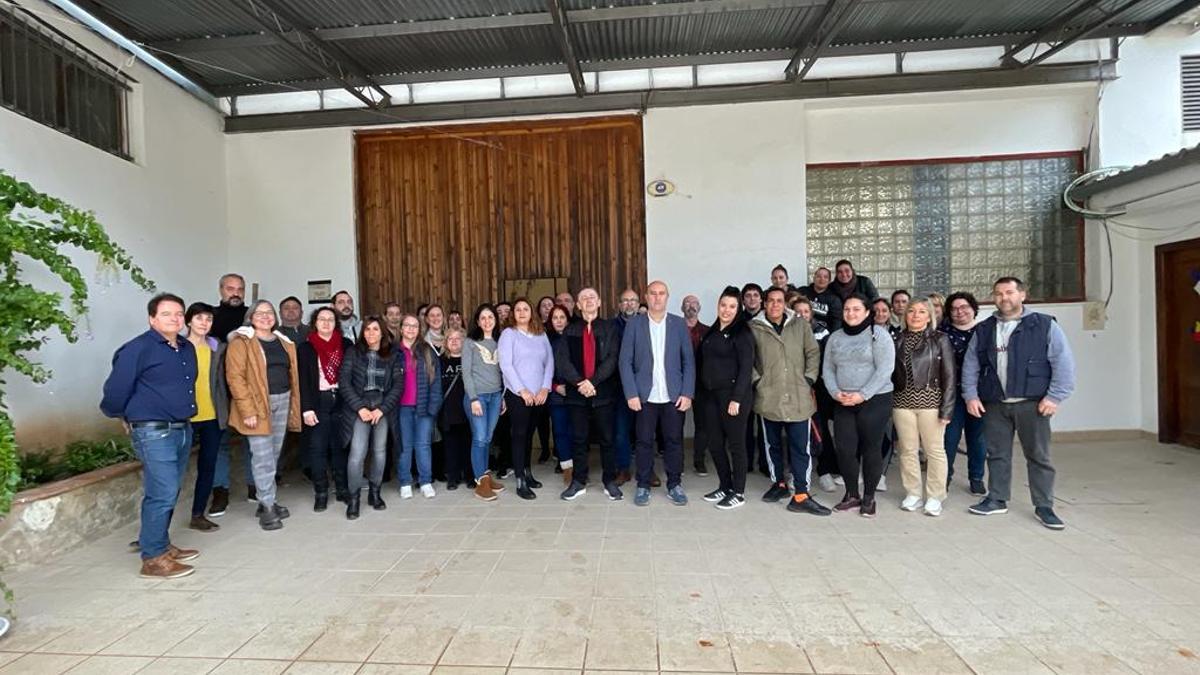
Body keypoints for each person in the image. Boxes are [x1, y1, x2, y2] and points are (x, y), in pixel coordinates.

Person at [101, 293, 201, 578]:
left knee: (167, 491)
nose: (175, 319)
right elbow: (116, 390)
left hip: (182, 427)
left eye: (179, 314)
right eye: (167, 314)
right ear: (152, 318)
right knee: (163, 493)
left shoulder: (184, 347)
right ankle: (153, 559)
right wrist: (123, 415)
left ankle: (160, 544)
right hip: (153, 431)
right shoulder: (138, 348)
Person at [963, 277, 1076, 529]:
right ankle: (997, 498)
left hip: (1033, 403)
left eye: (1010, 292)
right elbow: (971, 365)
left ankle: (1044, 505)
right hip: (994, 402)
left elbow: (1063, 362)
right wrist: (971, 395)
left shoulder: (1044, 325)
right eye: (999, 293)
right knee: (997, 454)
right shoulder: (984, 329)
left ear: (1022, 295)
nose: (1004, 298)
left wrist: (1055, 396)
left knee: (1038, 455)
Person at [750, 287, 832, 515]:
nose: (775, 305)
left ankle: (802, 494)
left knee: (800, 447)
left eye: (779, 301)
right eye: (771, 301)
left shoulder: (800, 325)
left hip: (798, 395)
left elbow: (813, 353)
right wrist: (758, 382)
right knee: (772, 445)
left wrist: (809, 378)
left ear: (784, 303)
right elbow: (748, 360)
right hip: (769, 395)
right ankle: (779, 484)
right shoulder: (754, 328)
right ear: (765, 303)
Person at [226, 300, 302, 531]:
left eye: (269, 313)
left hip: (282, 399)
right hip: (257, 405)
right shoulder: (241, 343)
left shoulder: (283, 342)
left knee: (274, 453)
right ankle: (268, 508)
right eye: (259, 313)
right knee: (262, 457)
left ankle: (266, 499)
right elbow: (235, 378)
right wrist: (246, 410)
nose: (265, 317)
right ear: (250, 317)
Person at [619, 280, 696, 507]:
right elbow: (625, 362)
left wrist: (687, 393)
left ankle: (674, 484)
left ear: (667, 297)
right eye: (653, 293)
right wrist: (631, 393)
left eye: (661, 293)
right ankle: (643, 485)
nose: (657, 297)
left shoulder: (679, 324)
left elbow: (688, 362)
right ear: (646, 296)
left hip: (673, 395)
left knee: (674, 441)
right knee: (643, 442)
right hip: (644, 396)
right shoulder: (635, 324)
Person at [823, 294, 895, 518]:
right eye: (847, 309)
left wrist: (862, 395)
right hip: (843, 400)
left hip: (875, 399)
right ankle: (852, 494)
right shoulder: (835, 337)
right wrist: (836, 393)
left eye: (856, 309)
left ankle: (869, 497)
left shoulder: (878, 335)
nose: (851, 313)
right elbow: (828, 369)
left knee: (870, 448)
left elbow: (885, 369)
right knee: (845, 449)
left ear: (866, 312)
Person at [556, 288, 622, 501]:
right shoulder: (570, 330)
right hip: (576, 395)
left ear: (600, 302)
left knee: (607, 439)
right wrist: (579, 383)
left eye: (592, 297)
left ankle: (609, 480)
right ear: (578, 305)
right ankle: (578, 481)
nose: (589, 300)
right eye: (584, 298)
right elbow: (563, 360)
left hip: (603, 393)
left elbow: (613, 358)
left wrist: (592, 382)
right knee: (578, 439)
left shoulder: (610, 328)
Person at [892, 298, 956, 517]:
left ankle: (936, 496)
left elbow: (949, 376)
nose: (916, 315)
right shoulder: (897, 339)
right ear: (905, 315)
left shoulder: (940, 340)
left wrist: (947, 409)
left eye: (921, 312)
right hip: (902, 403)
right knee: (907, 450)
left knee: (934, 451)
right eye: (911, 311)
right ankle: (913, 493)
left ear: (930, 316)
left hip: (931, 403)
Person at [338, 316, 403, 519]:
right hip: (359, 406)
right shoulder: (353, 352)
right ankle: (354, 497)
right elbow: (344, 382)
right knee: (357, 453)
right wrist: (360, 408)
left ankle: (375, 493)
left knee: (380, 452)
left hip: (382, 407)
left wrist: (382, 409)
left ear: (382, 332)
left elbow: (398, 385)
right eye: (367, 329)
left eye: (375, 329)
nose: (371, 333)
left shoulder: (392, 354)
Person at [699, 287, 756, 510]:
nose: (727, 310)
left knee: (736, 445)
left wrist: (737, 399)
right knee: (714, 443)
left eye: (732, 306)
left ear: (738, 308)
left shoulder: (742, 333)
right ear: (718, 306)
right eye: (724, 305)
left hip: (733, 398)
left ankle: (738, 492)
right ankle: (725, 485)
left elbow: (746, 369)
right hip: (711, 396)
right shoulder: (712, 331)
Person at [498, 298, 555, 500]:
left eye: (526, 309)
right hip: (518, 394)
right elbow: (506, 365)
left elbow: (549, 362)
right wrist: (522, 390)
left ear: (532, 312)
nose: (522, 312)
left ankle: (528, 472)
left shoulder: (541, 335)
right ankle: (520, 479)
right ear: (513, 313)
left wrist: (545, 388)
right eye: (518, 309)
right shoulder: (509, 334)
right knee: (520, 435)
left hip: (539, 395)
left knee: (530, 434)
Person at [297, 306, 349, 511]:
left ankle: (342, 488)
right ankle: (321, 492)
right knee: (317, 449)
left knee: (340, 447)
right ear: (315, 323)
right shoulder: (306, 348)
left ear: (336, 323)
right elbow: (302, 380)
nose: (326, 323)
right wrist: (306, 408)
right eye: (322, 319)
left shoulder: (345, 345)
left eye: (330, 319)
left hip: (341, 400)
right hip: (318, 401)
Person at [209, 274, 251, 515]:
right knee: (220, 443)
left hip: (248, 389)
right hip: (220, 390)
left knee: (253, 440)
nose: (235, 293)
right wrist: (228, 339)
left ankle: (255, 487)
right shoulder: (210, 316)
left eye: (239, 289)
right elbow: (205, 344)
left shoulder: (253, 316)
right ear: (221, 289)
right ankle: (220, 492)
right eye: (230, 288)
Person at [184, 303, 228, 532]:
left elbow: (222, 381)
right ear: (189, 320)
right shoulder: (177, 347)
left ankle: (198, 514)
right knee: (173, 472)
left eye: (208, 319)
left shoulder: (216, 347)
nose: (204, 323)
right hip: (185, 418)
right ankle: (157, 527)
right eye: (199, 318)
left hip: (211, 415)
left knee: (208, 466)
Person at [940, 291, 987, 495]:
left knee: (977, 438)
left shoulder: (986, 331)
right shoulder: (942, 332)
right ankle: (945, 477)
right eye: (954, 308)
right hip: (952, 394)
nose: (960, 312)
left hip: (980, 394)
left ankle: (976, 477)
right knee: (949, 438)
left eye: (964, 307)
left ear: (973, 309)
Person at [396, 314, 444, 499]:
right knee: (405, 447)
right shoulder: (394, 352)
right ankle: (405, 482)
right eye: (407, 325)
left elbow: (436, 382)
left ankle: (425, 481)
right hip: (402, 408)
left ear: (420, 329)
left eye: (415, 326)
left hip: (423, 407)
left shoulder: (427, 351)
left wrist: (433, 407)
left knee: (423, 445)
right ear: (401, 329)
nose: (410, 329)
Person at [463, 304, 507, 501]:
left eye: (490, 317)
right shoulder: (470, 342)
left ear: (495, 320)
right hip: (478, 397)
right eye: (483, 318)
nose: (487, 321)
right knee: (479, 438)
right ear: (477, 321)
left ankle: (486, 476)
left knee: (488, 438)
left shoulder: (501, 341)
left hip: (496, 396)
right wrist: (473, 398)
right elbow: (466, 372)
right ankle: (480, 482)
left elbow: (503, 371)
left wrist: (503, 396)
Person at [611, 288, 641, 485]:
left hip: (644, 387)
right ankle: (623, 469)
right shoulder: (611, 327)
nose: (629, 304)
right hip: (618, 387)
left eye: (633, 300)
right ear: (619, 305)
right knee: (621, 432)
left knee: (644, 432)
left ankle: (645, 470)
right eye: (625, 301)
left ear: (638, 304)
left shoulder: (647, 324)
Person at [545, 305, 576, 485]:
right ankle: (567, 468)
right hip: (556, 392)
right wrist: (555, 386)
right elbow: (540, 369)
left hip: (575, 392)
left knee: (576, 432)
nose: (558, 321)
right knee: (560, 431)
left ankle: (579, 467)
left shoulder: (575, 338)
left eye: (562, 317)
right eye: (555, 318)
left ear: (567, 319)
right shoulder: (545, 341)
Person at [439, 327, 472, 491]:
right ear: (445, 342)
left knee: (468, 444)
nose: (454, 341)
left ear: (464, 341)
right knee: (450, 446)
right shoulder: (440, 361)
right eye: (450, 338)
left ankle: (469, 475)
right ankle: (453, 476)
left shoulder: (470, 361)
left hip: (467, 410)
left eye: (458, 338)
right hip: (448, 411)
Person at [681, 294, 709, 477]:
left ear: (699, 308)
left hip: (702, 384)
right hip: (680, 383)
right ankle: (678, 462)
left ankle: (699, 460)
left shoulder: (708, 331)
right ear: (682, 308)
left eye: (694, 303)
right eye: (687, 303)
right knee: (676, 424)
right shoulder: (675, 329)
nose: (691, 306)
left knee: (703, 424)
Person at [801, 267, 843, 339]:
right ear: (814, 278)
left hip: (823, 336)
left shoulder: (834, 299)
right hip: (802, 331)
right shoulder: (803, 292)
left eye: (825, 277)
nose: (822, 279)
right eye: (818, 276)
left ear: (829, 281)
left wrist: (831, 339)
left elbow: (837, 322)